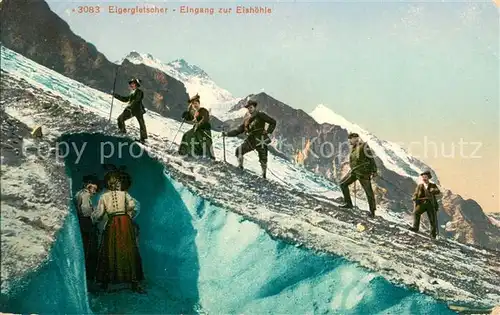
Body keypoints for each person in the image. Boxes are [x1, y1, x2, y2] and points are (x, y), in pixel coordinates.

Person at [92, 171, 145, 293]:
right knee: (128, 248)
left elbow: (99, 214)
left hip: (112, 222)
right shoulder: (124, 194)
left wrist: (93, 220)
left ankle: (106, 282)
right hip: (125, 222)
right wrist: (128, 214)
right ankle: (133, 282)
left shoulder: (103, 197)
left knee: (110, 249)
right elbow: (132, 206)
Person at [222, 100, 276, 179]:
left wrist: (268, 131)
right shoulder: (246, 120)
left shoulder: (260, 115)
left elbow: (273, 122)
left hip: (261, 139)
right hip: (251, 140)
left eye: (251, 107)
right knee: (239, 150)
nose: (249, 109)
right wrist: (227, 134)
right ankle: (240, 167)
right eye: (248, 108)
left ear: (254, 107)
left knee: (263, 158)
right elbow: (238, 130)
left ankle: (264, 175)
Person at [339, 133, 378, 217]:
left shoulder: (364, 146)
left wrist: (374, 171)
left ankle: (372, 212)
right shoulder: (353, 148)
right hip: (355, 172)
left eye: (350, 139)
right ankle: (348, 204)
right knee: (343, 184)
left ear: (356, 138)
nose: (349, 141)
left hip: (363, 173)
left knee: (369, 192)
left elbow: (371, 159)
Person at [74, 176, 99, 284]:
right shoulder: (85, 195)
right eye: (94, 189)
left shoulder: (78, 193)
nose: (95, 191)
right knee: (89, 247)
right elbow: (85, 210)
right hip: (86, 223)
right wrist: (93, 216)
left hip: (81, 222)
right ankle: (89, 274)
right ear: (89, 186)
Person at [178, 94, 215, 159]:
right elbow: (191, 118)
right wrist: (185, 115)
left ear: (199, 103)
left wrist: (199, 124)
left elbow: (205, 119)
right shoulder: (195, 112)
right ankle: (184, 153)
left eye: (196, 103)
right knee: (186, 135)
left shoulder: (203, 110)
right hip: (196, 129)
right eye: (193, 104)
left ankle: (209, 158)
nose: (195, 105)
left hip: (204, 130)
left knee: (204, 143)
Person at [114, 78, 148, 143]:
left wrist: (130, 107)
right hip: (131, 110)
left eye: (133, 84)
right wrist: (116, 96)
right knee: (120, 119)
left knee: (141, 124)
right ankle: (122, 131)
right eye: (131, 84)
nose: (131, 85)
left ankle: (143, 139)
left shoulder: (139, 92)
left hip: (138, 110)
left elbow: (136, 100)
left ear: (136, 85)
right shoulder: (132, 92)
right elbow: (125, 99)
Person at [409, 170, 441, 239]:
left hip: (431, 204)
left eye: (425, 177)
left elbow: (437, 191)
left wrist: (433, 190)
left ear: (428, 178)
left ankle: (433, 234)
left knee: (432, 219)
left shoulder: (433, 185)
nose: (424, 178)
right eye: (423, 177)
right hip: (422, 204)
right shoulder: (420, 186)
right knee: (416, 213)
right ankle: (415, 227)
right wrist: (414, 198)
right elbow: (416, 194)